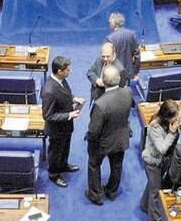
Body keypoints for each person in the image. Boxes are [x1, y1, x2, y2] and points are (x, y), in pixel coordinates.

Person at [85, 65, 133, 205]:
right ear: (118, 79)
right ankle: (111, 191)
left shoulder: (100, 104)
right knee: (117, 165)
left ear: (103, 81)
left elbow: (94, 131)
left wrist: (89, 139)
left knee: (94, 165)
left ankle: (95, 195)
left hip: (102, 143)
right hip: (121, 138)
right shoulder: (128, 92)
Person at [41, 56, 85, 188]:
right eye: (68, 70)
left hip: (66, 126)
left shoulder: (61, 80)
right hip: (56, 129)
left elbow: (65, 94)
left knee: (65, 148)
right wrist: (69, 115)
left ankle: (64, 165)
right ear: (60, 71)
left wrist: (73, 99)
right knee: (55, 152)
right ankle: (54, 174)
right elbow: (48, 115)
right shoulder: (49, 90)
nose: (70, 72)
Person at [141, 99, 180, 221]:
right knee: (156, 192)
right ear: (166, 116)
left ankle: (144, 205)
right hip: (152, 162)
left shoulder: (171, 122)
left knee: (153, 184)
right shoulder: (155, 127)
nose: (177, 118)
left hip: (163, 161)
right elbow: (162, 148)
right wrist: (172, 133)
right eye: (174, 116)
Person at [105, 12, 140, 80]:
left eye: (109, 22)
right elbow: (137, 56)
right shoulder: (131, 35)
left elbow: (107, 60)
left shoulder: (110, 39)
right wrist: (135, 72)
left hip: (115, 75)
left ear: (113, 23)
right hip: (130, 74)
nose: (109, 24)